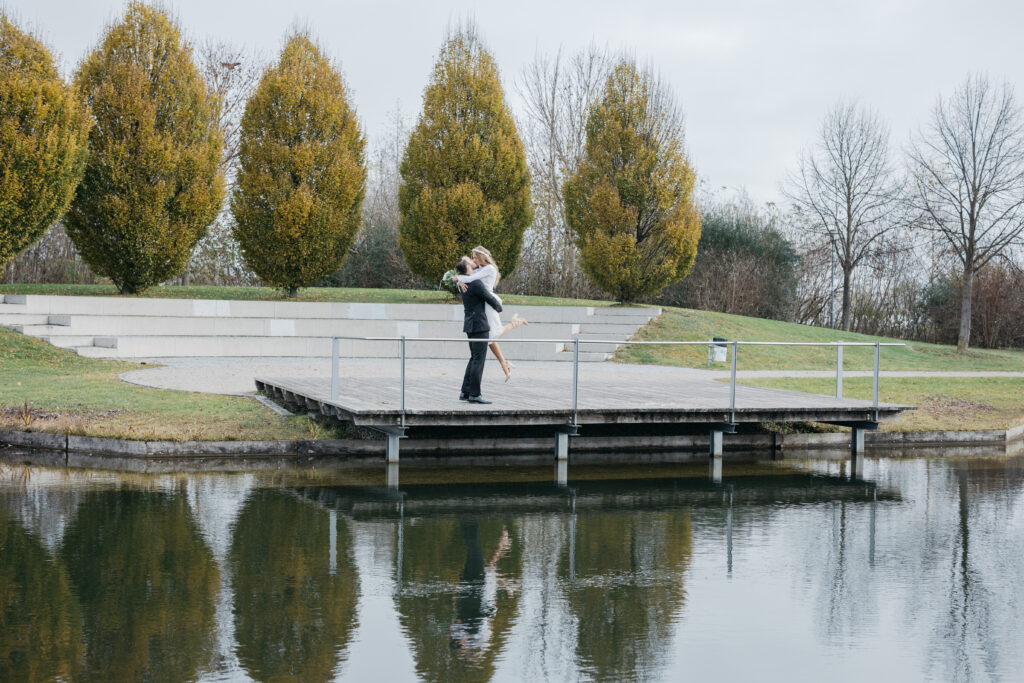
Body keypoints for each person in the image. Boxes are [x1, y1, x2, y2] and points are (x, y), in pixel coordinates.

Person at [456, 246, 528, 382]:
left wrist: (458, 279)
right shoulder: (480, 268)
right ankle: (504, 363)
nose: (473, 260)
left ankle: (515, 323)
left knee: (491, 336)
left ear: (481, 257)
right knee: (489, 337)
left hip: (489, 303)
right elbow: (468, 275)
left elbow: (471, 278)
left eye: (475, 257)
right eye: (472, 258)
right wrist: (459, 280)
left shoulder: (489, 268)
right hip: (484, 303)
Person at [456, 256, 503, 404]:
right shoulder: (475, 283)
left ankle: (465, 391)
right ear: (467, 266)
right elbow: (488, 297)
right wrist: (499, 307)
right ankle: (475, 394)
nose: (472, 261)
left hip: (470, 324)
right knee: (478, 359)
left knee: (474, 358)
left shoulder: (462, 282)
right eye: (469, 261)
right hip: (479, 325)